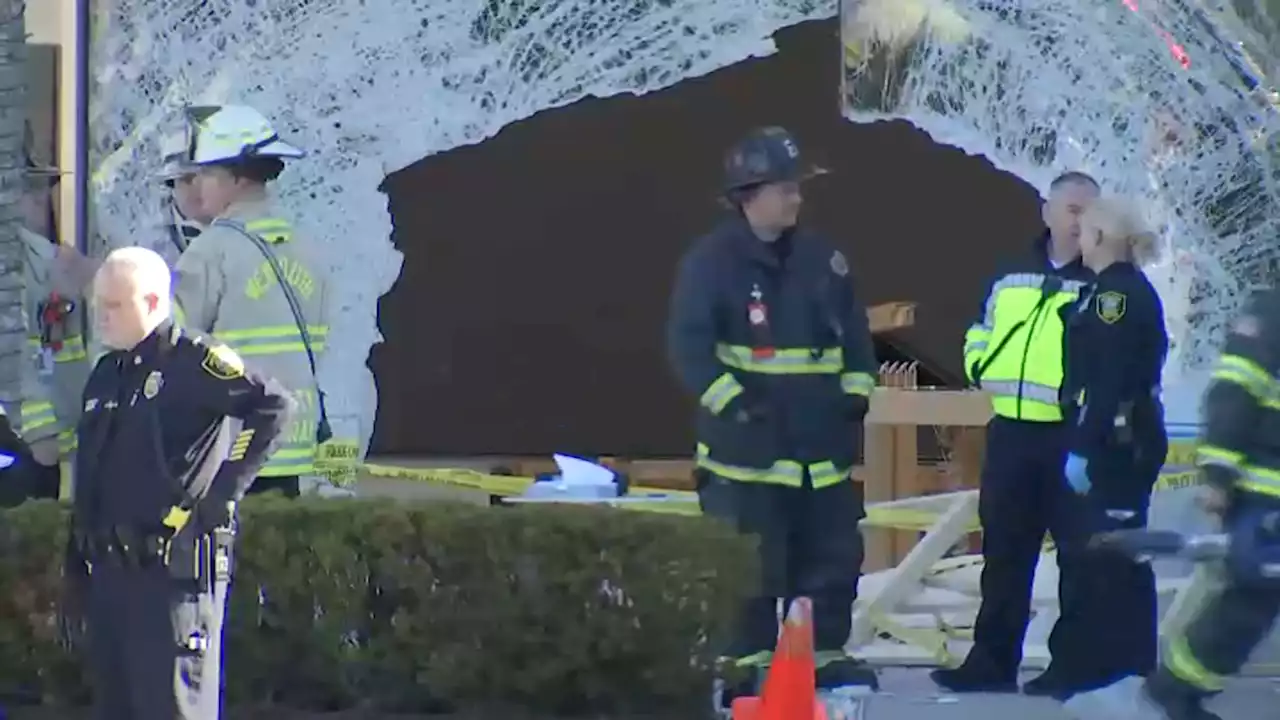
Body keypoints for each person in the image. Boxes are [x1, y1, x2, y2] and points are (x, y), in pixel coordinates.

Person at [666, 126, 879, 704]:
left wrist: (856, 395)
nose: (796, 198)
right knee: (752, 565)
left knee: (831, 557)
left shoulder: (822, 260)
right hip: (748, 456)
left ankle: (825, 656)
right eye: (785, 188)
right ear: (748, 194)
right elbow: (689, 349)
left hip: (821, 452)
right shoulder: (712, 264)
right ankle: (746, 664)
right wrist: (735, 406)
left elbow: (856, 340)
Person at [63, 246, 294, 720]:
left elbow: (273, 407)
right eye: (98, 305)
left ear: (151, 303)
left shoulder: (193, 362)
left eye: (114, 306)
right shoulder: (109, 374)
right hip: (111, 576)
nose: (101, 318)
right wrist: (75, 565)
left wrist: (223, 493)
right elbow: (93, 475)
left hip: (169, 579)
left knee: (170, 708)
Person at [933, 171, 1097, 694]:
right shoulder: (1010, 273)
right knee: (1004, 553)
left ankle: (1070, 665)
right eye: (1070, 209)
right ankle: (991, 663)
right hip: (1011, 432)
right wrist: (979, 366)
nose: (1078, 222)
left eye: (1087, 212)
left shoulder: (1103, 280)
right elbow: (979, 329)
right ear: (1046, 210)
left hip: (1070, 437)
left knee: (1076, 555)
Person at [169, 104, 343, 496]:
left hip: (230, 454)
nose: (199, 187)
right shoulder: (308, 249)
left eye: (206, 174)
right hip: (295, 451)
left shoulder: (211, 251)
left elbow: (172, 345)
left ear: (235, 179)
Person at [1125, 286, 1280, 720]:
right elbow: (1234, 394)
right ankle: (1174, 689)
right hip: (1265, 493)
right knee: (1251, 601)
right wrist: (1218, 476)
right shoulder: (1269, 315)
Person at [1058, 197, 1168, 696]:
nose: (1077, 239)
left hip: (1119, 441)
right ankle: (1116, 663)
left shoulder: (1115, 298)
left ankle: (1124, 666)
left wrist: (1084, 445)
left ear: (1100, 237)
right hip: (1114, 435)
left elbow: (1107, 380)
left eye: (1083, 231)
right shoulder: (1104, 291)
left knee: (1115, 553)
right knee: (1108, 551)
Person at [14, 143, 94, 500]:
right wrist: (41, 428)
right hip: (26, 436)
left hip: (49, 436)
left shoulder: (46, 259)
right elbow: (23, 347)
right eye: (34, 191)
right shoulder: (24, 263)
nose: (41, 202)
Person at [156, 129, 214, 262]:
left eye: (206, 176)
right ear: (172, 185)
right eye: (188, 179)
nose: (198, 187)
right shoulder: (152, 244)